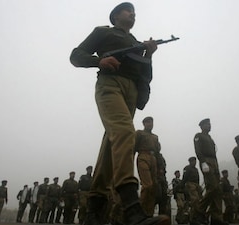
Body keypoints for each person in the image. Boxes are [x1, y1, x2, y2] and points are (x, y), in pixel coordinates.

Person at [70, 2, 169, 225]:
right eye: (128, 11)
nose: (133, 14)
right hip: (110, 85)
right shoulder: (102, 32)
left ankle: (93, 211)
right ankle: (132, 209)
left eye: (135, 12)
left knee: (110, 146)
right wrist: (99, 61)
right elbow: (76, 55)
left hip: (131, 93)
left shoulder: (136, 43)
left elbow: (145, 74)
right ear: (116, 16)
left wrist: (149, 54)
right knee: (126, 133)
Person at [193, 118, 227, 225]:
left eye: (210, 124)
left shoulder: (210, 138)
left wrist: (217, 166)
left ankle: (216, 218)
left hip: (214, 162)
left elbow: (214, 153)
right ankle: (198, 211)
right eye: (207, 124)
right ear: (202, 126)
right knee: (213, 187)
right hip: (206, 161)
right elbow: (198, 150)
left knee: (218, 191)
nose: (209, 126)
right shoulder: (198, 136)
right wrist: (203, 162)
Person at [134, 116, 159, 217]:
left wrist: (160, 167)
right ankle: (139, 211)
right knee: (147, 185)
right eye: (148, 122)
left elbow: (157, 152)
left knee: (153, 187)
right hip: (143, 156)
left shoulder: (155, 137)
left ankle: (149, 214)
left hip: (153, 158)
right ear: (144, 124)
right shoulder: (139, 133)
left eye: (151, 122)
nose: (150, 124)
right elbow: (133, 147)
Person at [182, 156, 205, 225]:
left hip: (196, 185)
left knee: (199, 201)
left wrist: (199, 187)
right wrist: (182, 185)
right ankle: (194, 218)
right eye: (193, 161)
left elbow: (197, 178)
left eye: (195, 161)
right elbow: (184, 177)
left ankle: (194, 218)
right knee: (195, 200)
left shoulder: (196, 169)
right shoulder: (187, 168)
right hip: (190, 183)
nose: (194, 163)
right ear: (190, 162)